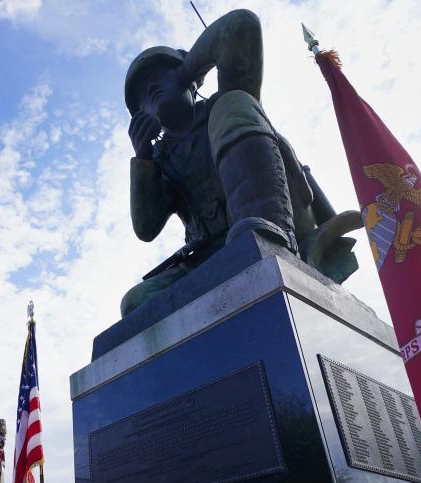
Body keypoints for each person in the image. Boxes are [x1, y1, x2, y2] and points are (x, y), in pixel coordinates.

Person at [120, 9, 360, 316]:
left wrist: (186, 72)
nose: (149, 89)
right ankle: (234, 272)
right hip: (214, 254)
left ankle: (268, 242)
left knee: (235, 102)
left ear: (192, 80)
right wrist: (143, 161)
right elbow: (146, 228)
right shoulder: (160, 160)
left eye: (158, 76)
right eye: (140, 95)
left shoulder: (226, 102)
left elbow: (241, 26)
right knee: (136, 304)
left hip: (279, 224)